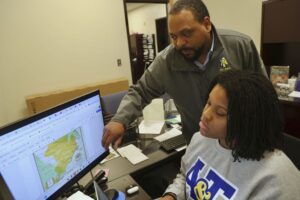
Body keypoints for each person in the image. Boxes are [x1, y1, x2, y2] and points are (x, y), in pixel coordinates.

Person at [102, 0, 267, 149]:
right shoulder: (167, 61)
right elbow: (140, 91)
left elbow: (264, 96)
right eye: (173, 37)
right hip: (199, 146)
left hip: (242, 142)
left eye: (186, 34)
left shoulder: (240, 47)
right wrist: (119, 120)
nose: (179, 43)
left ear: (207, 24)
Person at [160, 69, 300, 200]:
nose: (205, 115)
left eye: (220, 112)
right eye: (208, 103)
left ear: (247, 120)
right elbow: (185, 176)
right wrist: (172, 195)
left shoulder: (276, 180)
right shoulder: (200, 138)